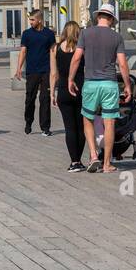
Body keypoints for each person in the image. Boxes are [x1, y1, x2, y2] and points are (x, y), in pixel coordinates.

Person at [68, 3, 131, 174]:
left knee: (87, 118)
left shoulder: (85, 33)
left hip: (90, 83)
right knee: (109, 123)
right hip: (110, 84)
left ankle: (93, 155)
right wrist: (127, 85)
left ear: (98, 17)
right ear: (111, 19)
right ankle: (106, 164)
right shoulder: (117, 37)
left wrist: (70, 79)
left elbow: (76, 58)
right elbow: (123, 64)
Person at [51, 21, 87, 171]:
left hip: (64, 91)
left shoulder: (55, 49)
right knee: (82, 127)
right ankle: (79, 159)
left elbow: (54, 74)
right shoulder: (82, 49)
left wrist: (52, 92)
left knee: (69, 127)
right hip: (81, 89)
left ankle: (74, 161)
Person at [16, 9, 56, 136]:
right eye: (30, 20)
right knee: (30, 99)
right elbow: (23, 51)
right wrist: (18, 68)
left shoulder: (49, 34)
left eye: (33, 20)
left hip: (46, 70)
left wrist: (55, 69)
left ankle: (45, 127)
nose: (31, 22)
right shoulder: (26, 34)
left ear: (39, 20)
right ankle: (28, 122)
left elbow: (53, 51)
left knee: (45, 99)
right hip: (32, 71)